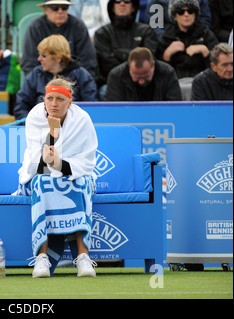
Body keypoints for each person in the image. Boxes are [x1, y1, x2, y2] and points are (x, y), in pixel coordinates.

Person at [16, 76, 98, 278]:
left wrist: (60, 164)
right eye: (50, 98)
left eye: (60, 99)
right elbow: (39, 162)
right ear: (44, 99)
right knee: (42, 183)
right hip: (38, 173)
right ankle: (41, 258)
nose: (54, 104)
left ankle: (83, 257)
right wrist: (53, 133)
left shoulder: (82, 119)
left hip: (74, 173)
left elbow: (86, 160)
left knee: (80, 182)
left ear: (69, 102)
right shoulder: (35, 116)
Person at [14, 35, 98, 121]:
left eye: (44, 55)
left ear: (58, 57)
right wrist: (34, 124)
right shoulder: (35, 74)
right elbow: (21, 106)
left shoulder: (81, 75)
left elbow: (91, 107)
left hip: (73, 129)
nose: (39, 59)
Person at [93, 0, 158, 97]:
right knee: (104, 90)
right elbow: (106, 66)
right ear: (112, 7)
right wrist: (135, 57)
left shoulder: (146, 31)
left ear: (133, 7)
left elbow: (149, 59)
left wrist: (118, 53)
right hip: (113, 82)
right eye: (117, 1)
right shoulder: (102, 33)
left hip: (143, 81)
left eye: (127, 1)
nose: (122, 4)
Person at [20, 0, 98, 79]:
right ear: (45, 9)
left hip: (73, 81)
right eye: (55, 8)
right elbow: (29, 63)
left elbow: (88, 61)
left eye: (64, 7)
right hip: (42, 81)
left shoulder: (78, 25)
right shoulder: (35, 27)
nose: (60, 11)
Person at [155, 0, 218, 79]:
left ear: (195, 14)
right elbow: (158, 74)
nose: (186, 14)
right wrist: (166, 55)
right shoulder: (166, 39)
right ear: (175, 16)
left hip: (203, 84)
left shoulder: (207, 35)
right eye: (181, 12)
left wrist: (206, 52)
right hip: (176, 84)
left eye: (190, 11)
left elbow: (219, 67)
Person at [105, 47, 183, 100]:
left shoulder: (167, 73)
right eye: (137, 77)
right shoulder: (116, 76)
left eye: (146, 76)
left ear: (153, 66)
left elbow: (174, 107)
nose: (141, 81)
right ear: (129, 68)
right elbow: (113, 111)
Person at [146, 0, 212, 39]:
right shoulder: (157, 1)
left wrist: (198, 38)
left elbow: (205, 19)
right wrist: (168, 40)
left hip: (196, 37)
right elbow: (155, 26)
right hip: (166, 38)